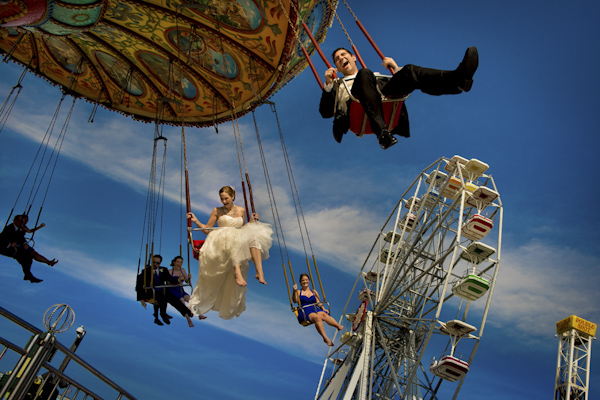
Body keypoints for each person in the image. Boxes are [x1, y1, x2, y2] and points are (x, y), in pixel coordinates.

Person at [319, 46, 479, 149]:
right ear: (337, 69)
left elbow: (390, 81)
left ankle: (457, 80)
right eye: (337, 60)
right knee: (364, 73)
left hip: (382, 96)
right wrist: (328, 85)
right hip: (357, 109)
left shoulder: (374, 76)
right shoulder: (338, 85)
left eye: (343, 55)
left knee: (409, 71)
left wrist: (396, 69)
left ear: (353, 57)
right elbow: (325, 112)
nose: (341, 59)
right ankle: (382, 133)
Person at [186, 185, 273, 319]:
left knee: (254, 239)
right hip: (221, 239)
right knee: (233, 240)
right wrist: (196, 220)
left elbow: (243, 229)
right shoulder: (217, 210)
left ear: (232, 197)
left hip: (238, 236)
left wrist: (251, 221)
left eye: (226, 198)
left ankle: (259, 272)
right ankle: (237, 272)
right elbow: (206, 230)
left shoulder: (241, 210)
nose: (224, 202)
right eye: (222, 199)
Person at [135, 254, 195, 327]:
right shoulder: (145, 271)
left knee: (174, 299)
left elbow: (170, 279)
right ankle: (162, 315)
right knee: (162, 299)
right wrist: (141, 299)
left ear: (160, 263)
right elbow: (139, 285)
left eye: (157, 263)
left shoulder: (163, 270)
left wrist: (178, 280)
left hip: (162, 290)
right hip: (152, 292)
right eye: (153, 262)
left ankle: (187, 312)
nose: (155, 264)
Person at [0, 214, 57, 283]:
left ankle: (46, 264)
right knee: (24, 258)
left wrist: (39, 227)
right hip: (5, 248)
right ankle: (28, 275)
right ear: (15, 221)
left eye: (25, 222)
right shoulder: (9, 228)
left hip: (18, 248)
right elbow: (4, 239)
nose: (23, 224)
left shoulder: (22, 228)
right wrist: (12, 243)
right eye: (22, 222)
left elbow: (29, 231)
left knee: (30, 256)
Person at [293, 273, 343, 346]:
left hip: (314, 309)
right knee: (317, 317)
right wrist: (294, 291)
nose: (305, 281)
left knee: (324, 314)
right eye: (303, 280)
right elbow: (295, 300)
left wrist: (323, 308)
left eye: (306, 280)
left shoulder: (314, 291)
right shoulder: (298, 292)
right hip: (305, 312)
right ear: (300, 282)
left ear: (309, 281)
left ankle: (337, 326)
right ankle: (325, 338)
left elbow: (318, 302)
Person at [167, 255, 207, 320]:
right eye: (178, 262)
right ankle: (188, 317)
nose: (179, 264)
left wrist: (189, 278)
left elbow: (187, 281)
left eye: (181, 262)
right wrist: (178, 280)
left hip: (180, 290)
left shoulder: (182, 270)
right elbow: (168, 283)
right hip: (173, 290)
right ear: (174, 262)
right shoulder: (170, 272)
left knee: (191, 300)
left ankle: (199, 314)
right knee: (182, 301)